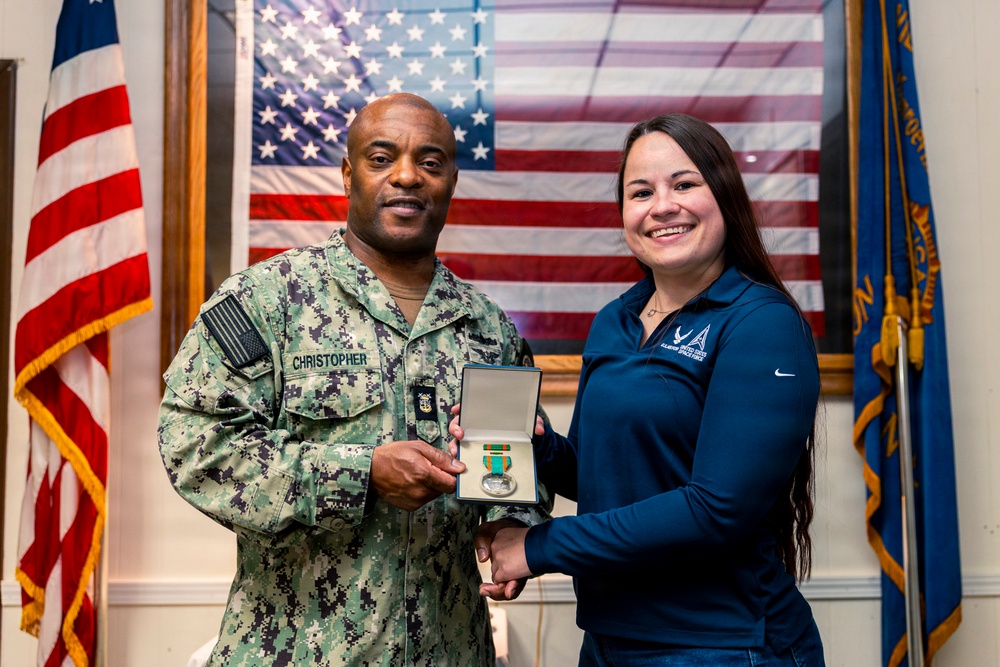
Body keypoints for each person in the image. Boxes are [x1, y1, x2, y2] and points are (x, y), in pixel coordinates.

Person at [157, 93, 550, 666]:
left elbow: (520, 459)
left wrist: (515, 521)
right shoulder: (268, 300)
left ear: (452, 181)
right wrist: (360, 473)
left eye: (431, 162)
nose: (408, 176)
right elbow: (196, 448)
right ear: (349, 173)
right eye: (382, 157)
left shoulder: (489, 328)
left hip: (452, 649)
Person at [453, 113, 825, 666]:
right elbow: (599, 476)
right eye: (640, 191)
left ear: (723, 195)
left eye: (684, 184)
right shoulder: (615, 320)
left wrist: (538, 547)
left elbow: (714, 510)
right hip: (607, 638)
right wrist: (541, 447)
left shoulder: (763, 325)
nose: (662, 206)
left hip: (721, 645)